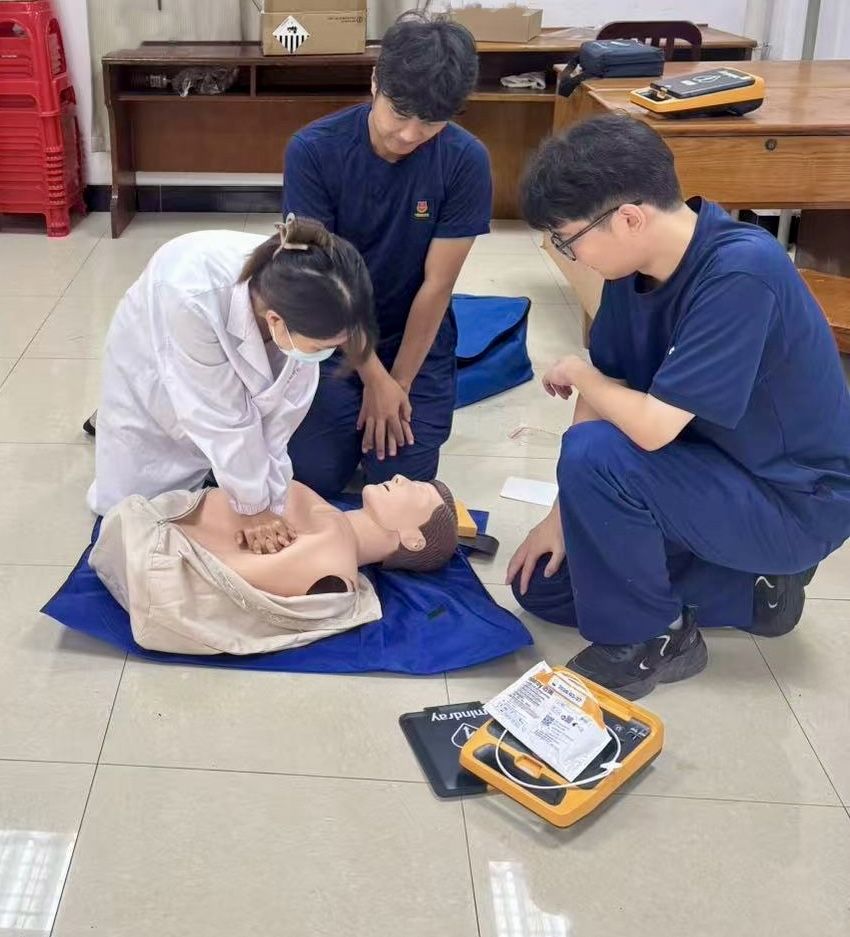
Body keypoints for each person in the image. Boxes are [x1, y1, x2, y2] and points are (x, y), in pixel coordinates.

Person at [507, 113, 850, 700]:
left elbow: (650, 429)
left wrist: (580, 373)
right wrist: (558, 518)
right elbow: (608, 390)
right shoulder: (631, 267)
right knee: (541, 586)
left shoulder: (742, 272)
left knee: (596, 455)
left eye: (568, 238)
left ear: (628, 218)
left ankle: (653, 640)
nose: (570, 254)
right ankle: (753, 593)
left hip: (791, 500)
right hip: (705, 471)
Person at [281, 12, 492, 496]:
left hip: (413, 335)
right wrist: (374, 379)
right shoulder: (313, 151)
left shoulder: (466, 161)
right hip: (331, 331)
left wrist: (399, 383)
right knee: (315, 475)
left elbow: (437, 285)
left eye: (431, 122)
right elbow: (319, 283)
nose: (410, 135)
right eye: (399, 113)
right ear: (375, 81)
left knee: (400, 484)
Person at [87, 215, 375, 554]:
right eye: (320, 347)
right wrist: (253, 508)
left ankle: (231, 478)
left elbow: (281, 416)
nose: (327, 354)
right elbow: (220, 417)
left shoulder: (311, 303)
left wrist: (270, 499)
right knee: (135, 513)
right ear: (275, 321)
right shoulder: (191, 294)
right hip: (159, 347)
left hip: (231, 373)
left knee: (239, 463)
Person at [90, 475, 458, 655]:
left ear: (413, 539)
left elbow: (226, 576)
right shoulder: (332, 528)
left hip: (155, 549)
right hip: (157, 525)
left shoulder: (331, 558)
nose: (400, 478)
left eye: (416, 490)